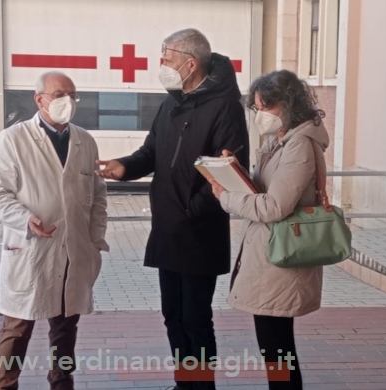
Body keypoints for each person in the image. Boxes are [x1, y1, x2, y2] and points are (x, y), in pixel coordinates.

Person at [96, 28, 248, 390]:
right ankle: (185, 383)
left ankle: (202, 386)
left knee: (196, 318)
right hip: (167, 229)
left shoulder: (224, 107)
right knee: (172, 316)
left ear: (191, 62)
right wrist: (124, 167)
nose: (161, 61)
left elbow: (228, 174)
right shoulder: (172, 102)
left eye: (167, 55)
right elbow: (151, 152)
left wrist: (189, 209)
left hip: (199, 231)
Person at [0, 71, 109, 390]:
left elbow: (98, 196)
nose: (67, 101)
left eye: (72, 95)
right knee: (18, 325)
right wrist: (24, 218)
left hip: (74, 249)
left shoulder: (85, 141)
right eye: (59, 95)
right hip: (31, 249)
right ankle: (4, 383)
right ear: (39, 99)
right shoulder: (13, 139)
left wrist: (95, 240)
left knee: (66, 325)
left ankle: (61, 377)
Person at [209, 69, 329, 390]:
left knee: (277, 349)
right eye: (257, 109)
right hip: (270, 257)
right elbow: (262, 188)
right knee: (275, 348)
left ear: (288, 105)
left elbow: (275, 206)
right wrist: (233, 169)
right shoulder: (280, 141)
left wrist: (227, 197)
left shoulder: (299, 145)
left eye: (266, 108)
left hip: (281, 258)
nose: (260, 115)